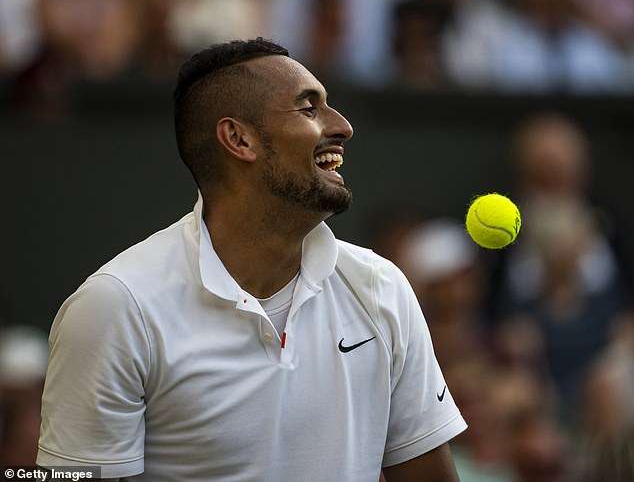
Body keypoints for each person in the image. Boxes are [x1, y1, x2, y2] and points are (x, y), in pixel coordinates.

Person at [36, 38, 467, 481]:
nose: (342, 126)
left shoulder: (381, 288)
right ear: (238, 139)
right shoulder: (115, 308)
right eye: (308, 108)